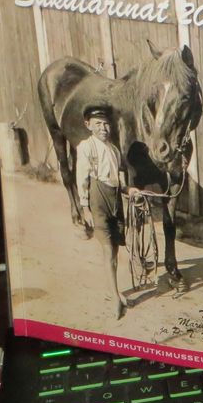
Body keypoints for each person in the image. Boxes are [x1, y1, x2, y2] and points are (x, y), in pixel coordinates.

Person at [76, 104, 129, 319]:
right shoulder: (86, 147)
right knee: (108, 250)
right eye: (98, 124)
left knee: (114, 249)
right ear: (88, 125)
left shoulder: (114, 150)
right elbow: (82, 178)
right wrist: (85, 207)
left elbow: (120, 180)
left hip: (115, 200)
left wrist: (130, 190)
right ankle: (115, 297)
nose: (103, 128)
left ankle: (112, 289)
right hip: (98, 200)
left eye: (106, 124)